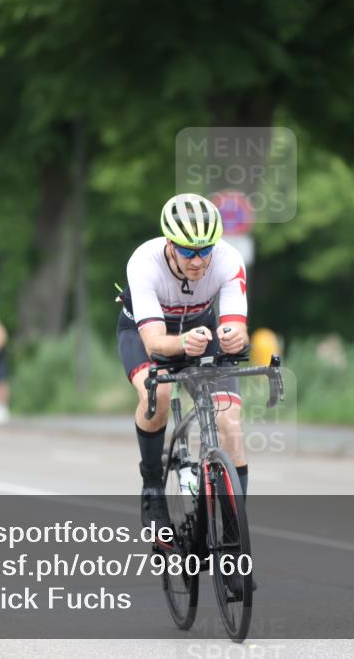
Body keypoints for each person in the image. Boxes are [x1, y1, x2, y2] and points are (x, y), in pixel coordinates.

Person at [117, 193, 249, 529]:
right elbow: (156, 343)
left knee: (230, 424)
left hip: (200, 331)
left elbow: (236, 327)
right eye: (188, 251)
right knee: (156, 395)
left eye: (205, 250)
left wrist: (235, 337)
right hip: (145, 332)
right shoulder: (144, 262)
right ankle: (152, 488)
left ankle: (236, 531)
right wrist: (183, 344)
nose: (198, 260)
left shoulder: (228, 259)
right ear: (170, 244)